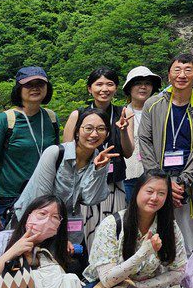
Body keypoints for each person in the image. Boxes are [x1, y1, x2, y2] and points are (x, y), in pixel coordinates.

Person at [135, 52, 193, 288]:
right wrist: (162, 182)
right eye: (177, 69)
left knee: (192, 246)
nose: (182, 75)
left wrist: (184, 180)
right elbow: (144, 140)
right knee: (156, 244)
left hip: (191, 185)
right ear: (169, 74)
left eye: (188, 70)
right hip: (158, 185)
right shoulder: (154, 104)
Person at [83, 170, 187, 288]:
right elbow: (107, 279)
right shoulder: (112, 224)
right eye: (149, 191)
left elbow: (179, 271)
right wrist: (143, 253)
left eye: (161, 193)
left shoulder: (168, 227)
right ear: (137, 190)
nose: (154, 198)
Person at [13, 108, 117, 270]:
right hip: (34, 226)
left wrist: (98, 170)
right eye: (88, 128)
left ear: (107, 133)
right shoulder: (55, 153)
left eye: (101, 129)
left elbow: (90, 199)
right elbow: (41, 203)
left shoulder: (100, 159)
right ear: (77, 131)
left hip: (68, 229)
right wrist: (60, 239)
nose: (94, 134)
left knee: (75, 273)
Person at [0, 66, 60, 231]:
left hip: (43, 197)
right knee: (7, 245)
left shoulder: (51, 118)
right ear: (19, 89)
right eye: (29, 84)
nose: (35, 88)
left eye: (40, 84)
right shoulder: (4, 120)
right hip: (9, 200)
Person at [62, 67, 135, 233]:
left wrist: (123, 131)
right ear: (90, 88)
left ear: (116, 88)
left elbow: (128, 152)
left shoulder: (124, 113)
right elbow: (67, 155)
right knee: (87, 232)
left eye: (109, 84)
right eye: (99, 84)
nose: (104, 89)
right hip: (85, 185)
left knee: (114, 232)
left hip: (114, 184)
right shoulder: (77, 115)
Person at [121, 66, 163, 201]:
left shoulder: (161, 112)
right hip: (130, 175)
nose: (143, 87)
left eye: (147, 83)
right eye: (138, 83)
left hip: (156, 174)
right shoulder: (121, 114)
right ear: (129, 88)